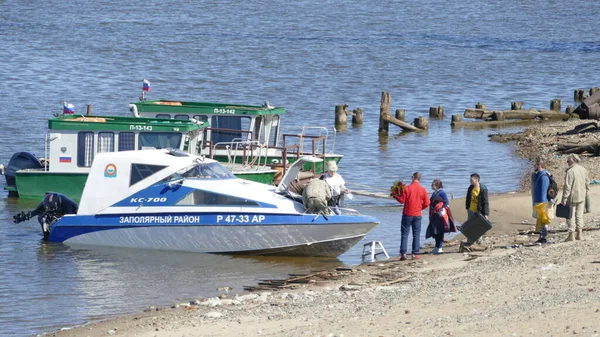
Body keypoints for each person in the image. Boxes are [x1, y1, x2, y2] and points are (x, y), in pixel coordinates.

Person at [13, 192, 78, 240]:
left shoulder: (68, 204)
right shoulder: (44, 204)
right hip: (51, 213)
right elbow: (35, 212)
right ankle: (46, 237)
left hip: (69, 212)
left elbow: (70, 218)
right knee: (42, 217)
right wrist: (23, 218)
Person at [398, 172, 430, 260]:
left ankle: (403, 253)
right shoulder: (423, 189)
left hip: (407, 213)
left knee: (405, 234)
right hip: (417, 214)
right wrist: (420, 208)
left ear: (413, 177)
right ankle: (415, 253)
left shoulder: (407, 188)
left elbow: (402, 200)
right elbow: (427, 203)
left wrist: (396, 195)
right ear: (419, 179)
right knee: (416, 234)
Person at [561, 154, 590, 241]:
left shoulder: (570, 171)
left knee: (570, 216)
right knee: (579, 215)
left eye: (568, 161)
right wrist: (586, 193)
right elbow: (587, 182)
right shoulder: (583, 169)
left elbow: (567, 187)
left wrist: (564, 199)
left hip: (572, 196)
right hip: (582, 195)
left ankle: (571, 235)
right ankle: (579, 234)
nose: (567, 163)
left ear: (573, 161)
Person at [426, 179, 456, 254]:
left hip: (440, 214)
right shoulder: (434, 193)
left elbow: (446, 202)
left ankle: (440, 247)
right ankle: (436, 246)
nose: (431, 186)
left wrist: (440, 208)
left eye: (432, 185)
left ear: (437, 186)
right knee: (435, 231)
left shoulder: (442, 193)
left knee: (440, 230)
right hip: (434, 214)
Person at [465, 173, 489, 244]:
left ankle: (479, 241)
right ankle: (470, 241)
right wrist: (467, 207)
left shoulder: (483, 188)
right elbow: (468, 198)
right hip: (470, 210)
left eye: (471, 179)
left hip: (479, 210)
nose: (470, 181)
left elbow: (485, 202)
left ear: (476, 179)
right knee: (470, 226)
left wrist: (486, 214)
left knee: (478, 226)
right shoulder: (470, 187)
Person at [531, 158, 551, 243]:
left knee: (543, 220)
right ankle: (541, 237)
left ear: (539, 166)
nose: (534, 166)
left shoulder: (543, 177)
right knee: (540, 220)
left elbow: (543, 191)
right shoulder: (537, 175)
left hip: (542, 202)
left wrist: (542, 203)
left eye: (535, 165)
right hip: (538, 201)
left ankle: (543, 238)